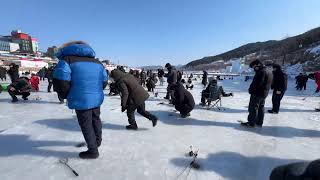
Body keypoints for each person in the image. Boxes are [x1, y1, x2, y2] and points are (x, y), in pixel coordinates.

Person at [53, 41, 108, 159]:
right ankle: (97, 142)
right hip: (96, 97)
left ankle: (93, 151)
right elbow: (104, 80)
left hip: (80, 98)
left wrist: (68, 95)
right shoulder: (97, 62)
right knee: (96, 119)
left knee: (86, 124)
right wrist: (96, 91)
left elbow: (61, 81)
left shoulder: (66, 60)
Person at [241, 59, 273, 128]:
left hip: (257, 93)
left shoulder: (261, 72)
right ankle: (259, 122)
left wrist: (251, 90)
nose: (254, 69)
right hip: (264, 93)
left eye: (253, 67)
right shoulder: (268, 71)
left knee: (253, 108)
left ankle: (251, 123)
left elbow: (258, 84)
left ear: (257, 65)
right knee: (261, 108)